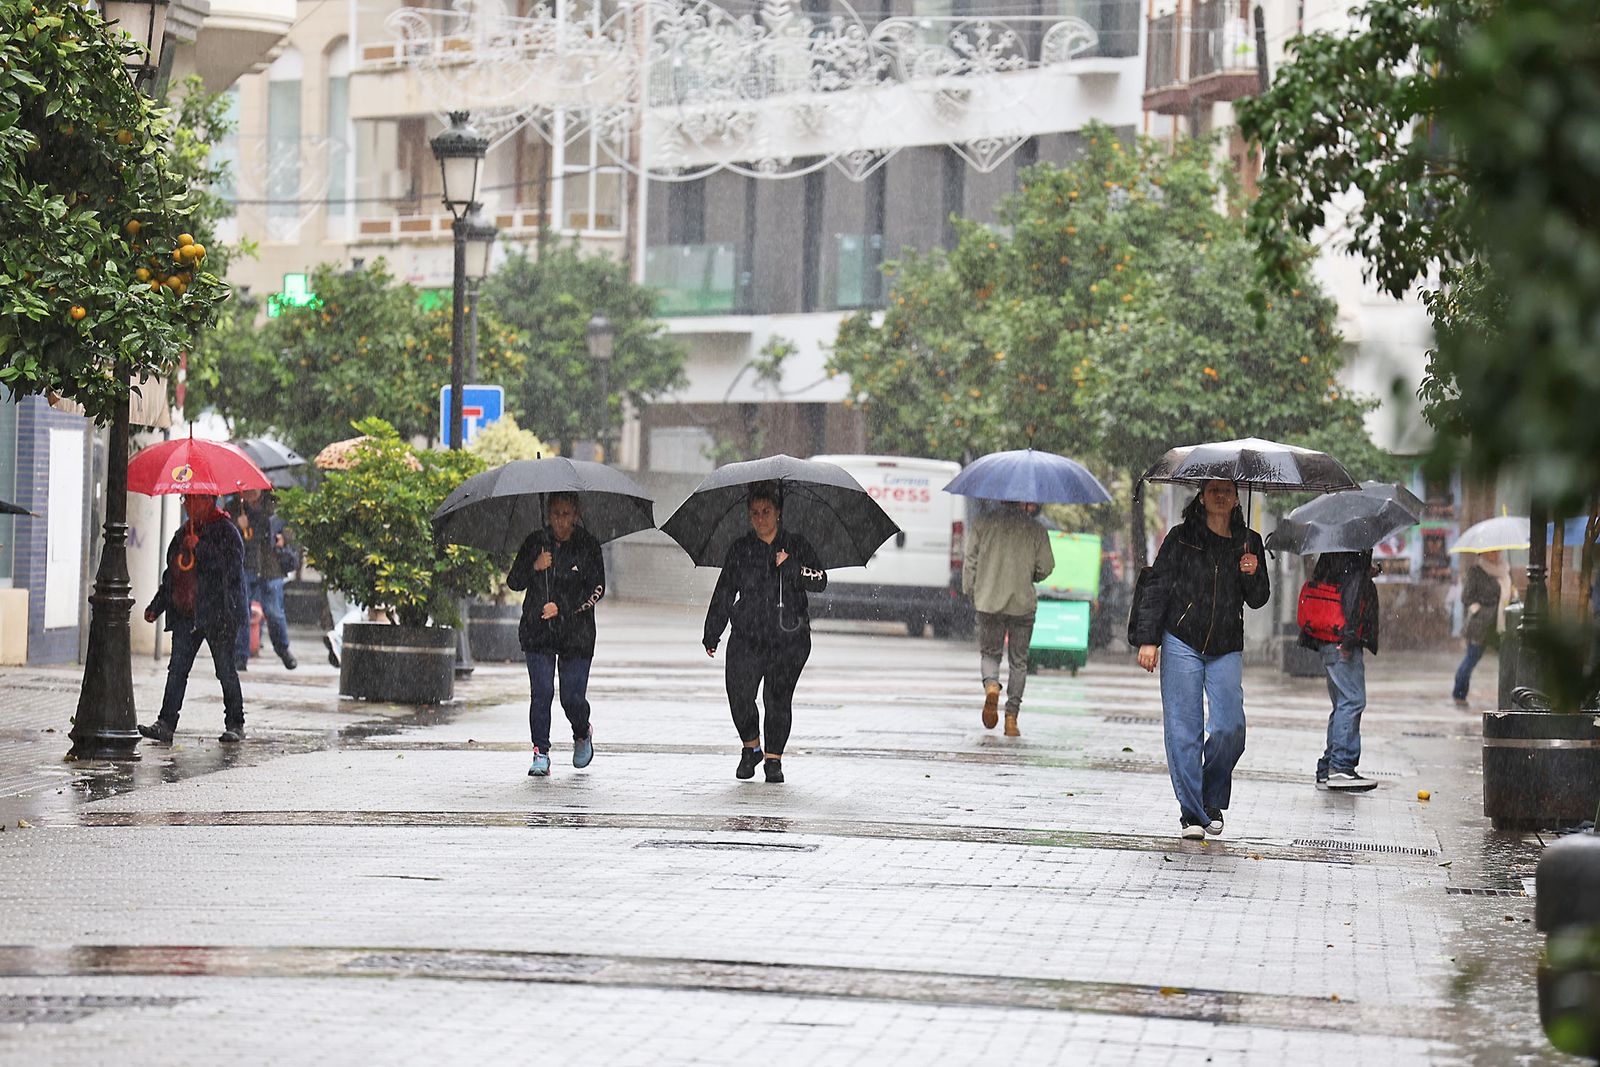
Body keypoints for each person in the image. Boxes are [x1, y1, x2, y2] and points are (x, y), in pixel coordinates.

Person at [1130, 479, 1270, 840]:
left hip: (1226, 644)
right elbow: (1157, 586)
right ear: (1202, 496)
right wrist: (1149, 640)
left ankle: (1211, 797)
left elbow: (1258, 599)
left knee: (1230, 727)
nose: (1220, 496)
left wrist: (1252, 572)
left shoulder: (1249, 542)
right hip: (1181, 638)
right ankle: (1192, 813)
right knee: (1184, 730)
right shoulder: (1181, 537)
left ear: (1238, 496)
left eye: (1227, 490)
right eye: (1213, 490)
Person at [702, 484, 827, 784]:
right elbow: (724, 591)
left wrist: (792, 567)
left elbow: (820, 580)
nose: (761, 518)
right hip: (747, 636)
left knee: (777, 699)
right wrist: (712, 632)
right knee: (740, 695)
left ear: (778, 513)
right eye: (755, 513)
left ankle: (774, 759)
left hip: (789, 639)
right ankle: (751, 747)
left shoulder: (796, 544)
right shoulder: (740, 549)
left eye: (766, 512)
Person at [506, 493, 605, 778]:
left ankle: (582, 731)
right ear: (548, 515)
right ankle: (541, 751)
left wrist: (562, 607)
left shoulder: (587, 546)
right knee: (542, 692)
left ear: (576, 514)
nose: (561, 521)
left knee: (571, 697)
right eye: (556, 514)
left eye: (566, 514)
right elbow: (514, 581)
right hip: (539, 633)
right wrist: (534, 566)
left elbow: (597, 588)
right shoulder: (536, 542)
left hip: (576, 634)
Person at [138, 493, 249, 744]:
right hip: (186, 614)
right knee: (177, 670)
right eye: (184, 499)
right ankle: (165, 723)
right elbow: (173, 575)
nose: (187, 504)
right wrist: (157, 605)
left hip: (218, 614)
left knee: (225, 670)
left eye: (193, 499)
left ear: (209, 500)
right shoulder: (182, 533)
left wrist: (199, 547)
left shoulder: (227, 532)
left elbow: (229, 569)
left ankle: (235, 722)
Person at [961, 500, 1055, 736]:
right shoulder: (1036, 528)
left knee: (990, 653)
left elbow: (970, 560)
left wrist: (971, 591)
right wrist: (1028, 573)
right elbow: (1045, 567)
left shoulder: (983, 523)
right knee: (1019, 661)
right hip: (1022, 603)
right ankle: (1011, 718)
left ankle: (992, 685)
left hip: (988, 600)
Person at [1299, 550, 1380, 790]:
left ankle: (1328, 766)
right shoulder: (1354, 549)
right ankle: (1341, 767)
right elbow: (1352, 596)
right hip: (1341, 639)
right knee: (1353, 701)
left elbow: (1339, 583)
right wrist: (1349, 639)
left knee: (1343, 702)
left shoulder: (1333, 551)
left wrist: (1366, 572)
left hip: (1328, 637)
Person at [232, 488, 297, 672]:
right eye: (246, 490)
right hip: (246, 566)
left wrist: (284, 538)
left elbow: (291, 529)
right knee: (242, 612)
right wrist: (239, 527)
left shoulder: (276, 505)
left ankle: (283, 650)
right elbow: (228, 537)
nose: (250, 493)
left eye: (254, 489)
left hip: (271, 567)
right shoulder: (235, 508)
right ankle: (240, 656)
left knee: (275, 612)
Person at [1453, 550, 1508, 706]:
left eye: (1497, 551)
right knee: (1471, 659)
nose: (1495, 554)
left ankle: (1510, 695)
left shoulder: (1504, 570)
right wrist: (1477, 608)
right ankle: (1459, 694)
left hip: (1500, 624)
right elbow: (1466, 597)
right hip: (1481, 625)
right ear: (1483, 554)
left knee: (1509, 659)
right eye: (1491, 552)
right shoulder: (1476, 571)